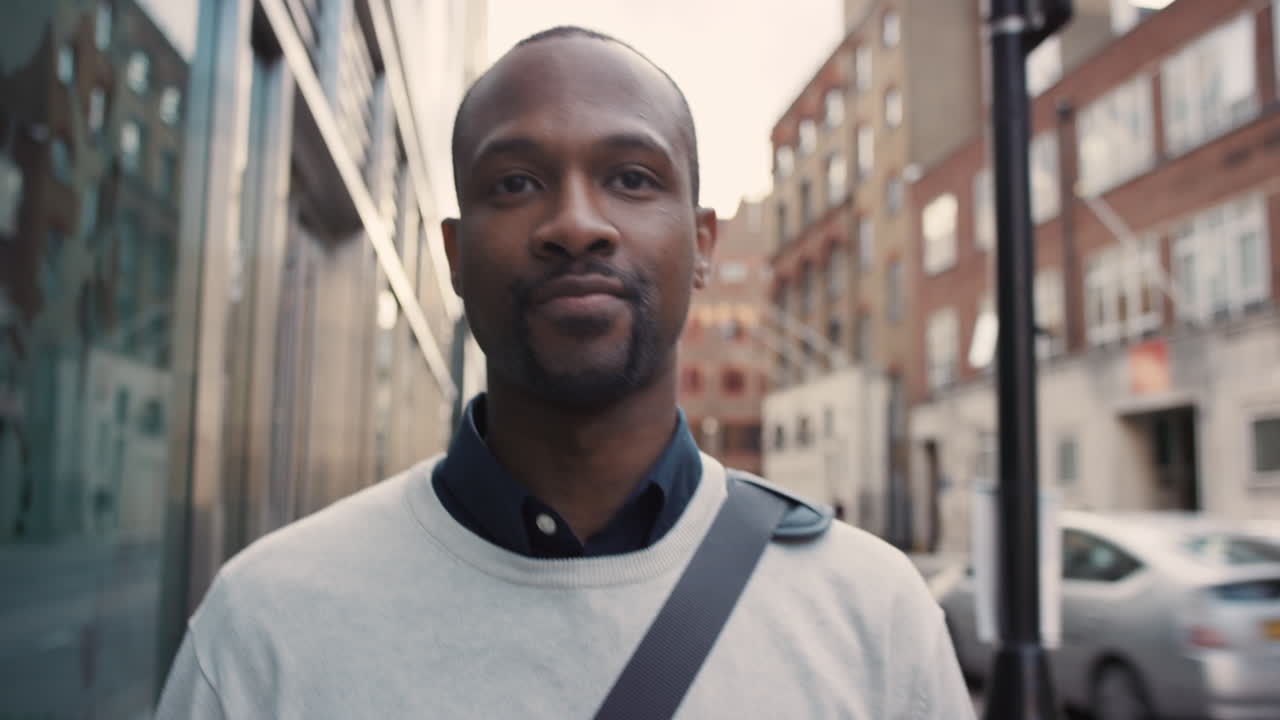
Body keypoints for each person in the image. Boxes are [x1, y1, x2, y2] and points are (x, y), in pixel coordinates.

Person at [156, 26, 974, 719]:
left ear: (705, 247)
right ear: (452, 255)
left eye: (631, 178)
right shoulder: (266, 623)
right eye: (515, 183)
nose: (576, 224)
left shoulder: (874, 615)